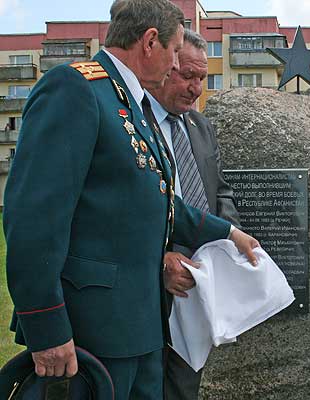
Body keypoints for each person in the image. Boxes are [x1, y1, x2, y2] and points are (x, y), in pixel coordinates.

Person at [3, 1, 258, 399]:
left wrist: (228, 232)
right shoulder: (76, 89)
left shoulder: (133, 105)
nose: (176, 65)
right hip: (90, 333)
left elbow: (154, 202)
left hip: (142, 327)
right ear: (150, 42)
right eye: (175, 52)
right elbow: (33, 220)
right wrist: (47, 327)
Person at [146, 29, 240, 400]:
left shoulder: (201, 126)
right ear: (166, 65)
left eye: (202, 78)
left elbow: (221, 189)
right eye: (188, 75)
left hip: (200, 286)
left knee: (186, 388)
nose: (196, 88)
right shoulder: (134, 124)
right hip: (153, 287)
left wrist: (229, 240)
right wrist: (159, 260)